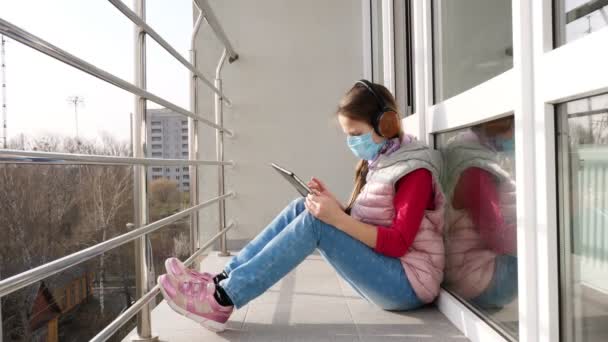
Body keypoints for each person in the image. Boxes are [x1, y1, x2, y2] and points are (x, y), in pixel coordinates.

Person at [157, 80, 446, 332]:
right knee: (302, 207)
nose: (351, 142)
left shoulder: (413, 171)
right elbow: (375, 223)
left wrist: (336, 220)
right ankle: (220, 280)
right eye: (347, 134)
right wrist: (336, 208)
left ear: (387, 125)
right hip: (389, 273)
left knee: (316, 223)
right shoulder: (383, 161)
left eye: (356, 133)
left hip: (408, 284)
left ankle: (222, 300)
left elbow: (396, 243)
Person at [441, 118, 518, 310]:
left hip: (460, 269)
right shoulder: (475, 170)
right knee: (553, 252)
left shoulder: (459, 152)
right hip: (479, 278)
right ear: (501, 125)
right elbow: (497, 237)